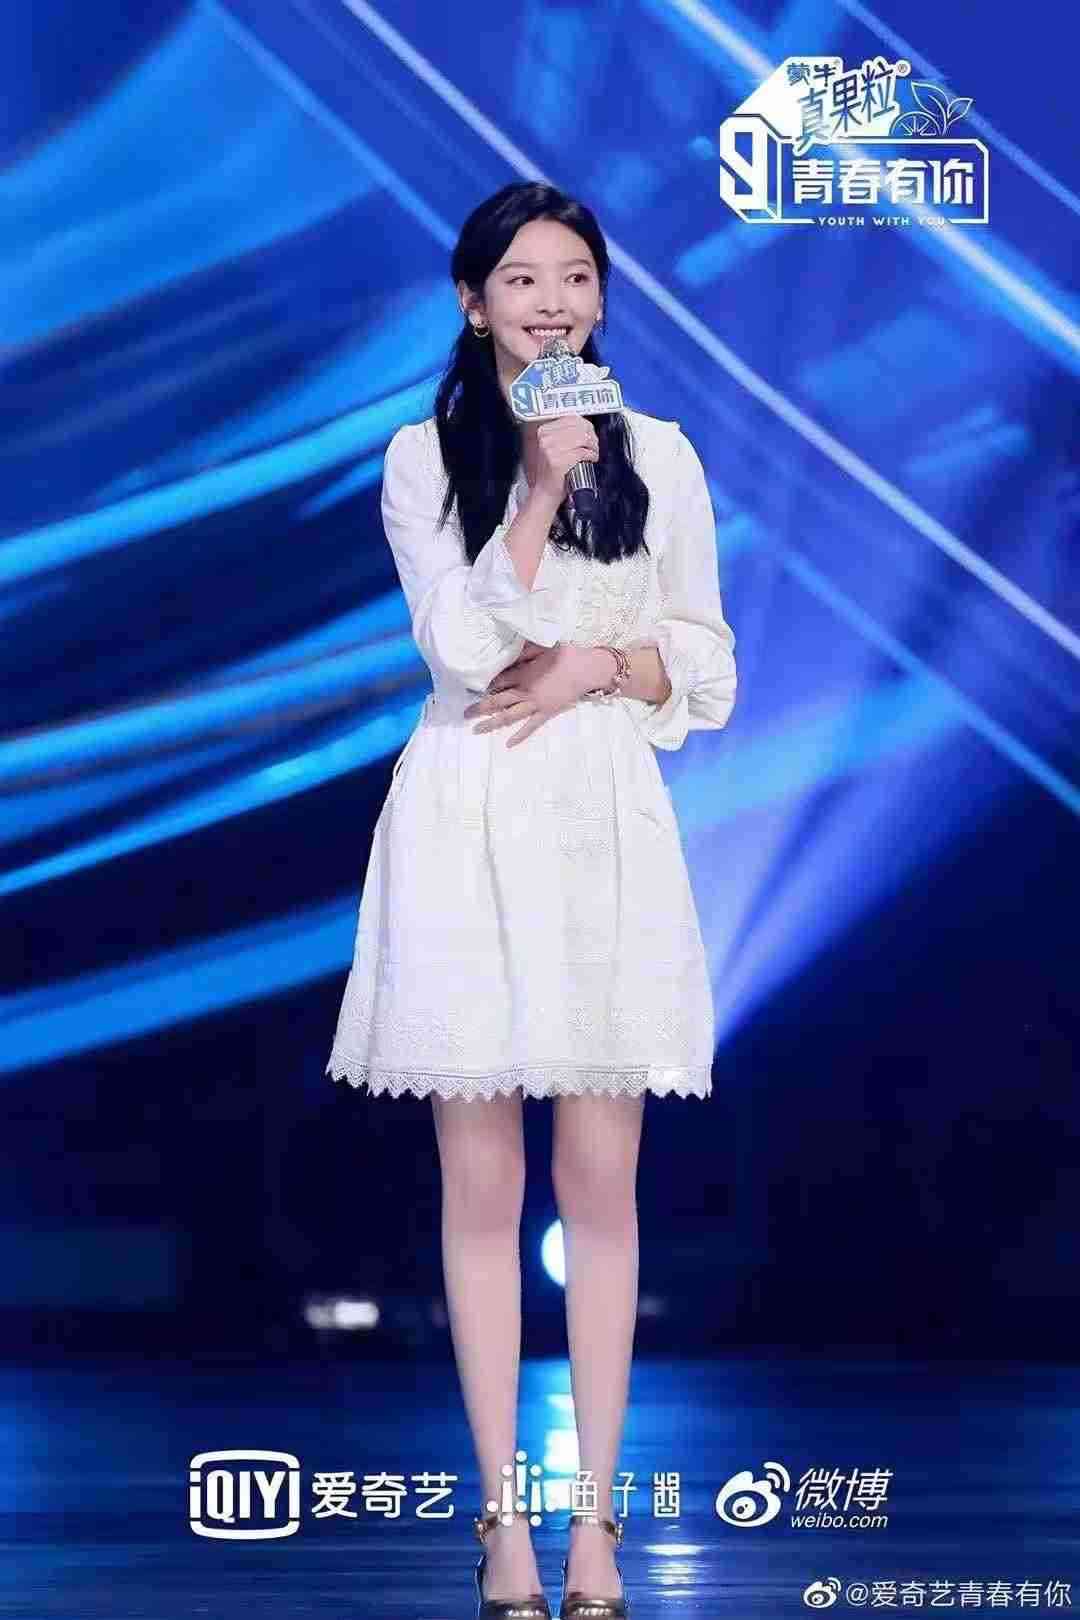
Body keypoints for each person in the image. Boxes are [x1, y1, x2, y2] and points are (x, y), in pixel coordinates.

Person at [325, 181, 737, 1619]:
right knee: (483, 1186)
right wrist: (544, 490)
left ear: (603, 298)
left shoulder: (664, 454)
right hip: (468, 812)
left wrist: (594, 667)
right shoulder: (421, 459)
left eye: (575, 278)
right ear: (472, 303)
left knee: (603, 1185)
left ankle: (597, 1529)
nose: (552, 304)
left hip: (604, 820)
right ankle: (503, 1521)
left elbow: (705, 664)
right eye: (521, 280)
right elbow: (452, 647)